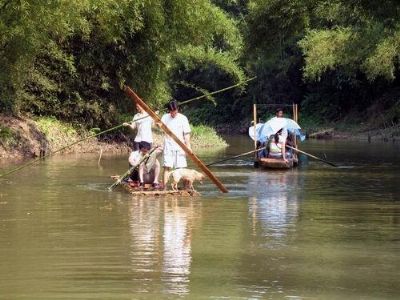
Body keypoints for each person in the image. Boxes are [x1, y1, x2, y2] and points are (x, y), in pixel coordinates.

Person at [161, 100, 191, 188]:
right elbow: (160, 126)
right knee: (167, 167)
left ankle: (185, 188)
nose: (173, 113)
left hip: (180, 147)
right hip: (168, 146)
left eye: (174, 111)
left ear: (177, 109)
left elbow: (186, 133)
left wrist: (188, 146)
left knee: (182, 168)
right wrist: (156, 122)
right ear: (169, 110)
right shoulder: (165, 117)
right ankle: (165, 187)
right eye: (171, 111)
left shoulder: (183, 118)